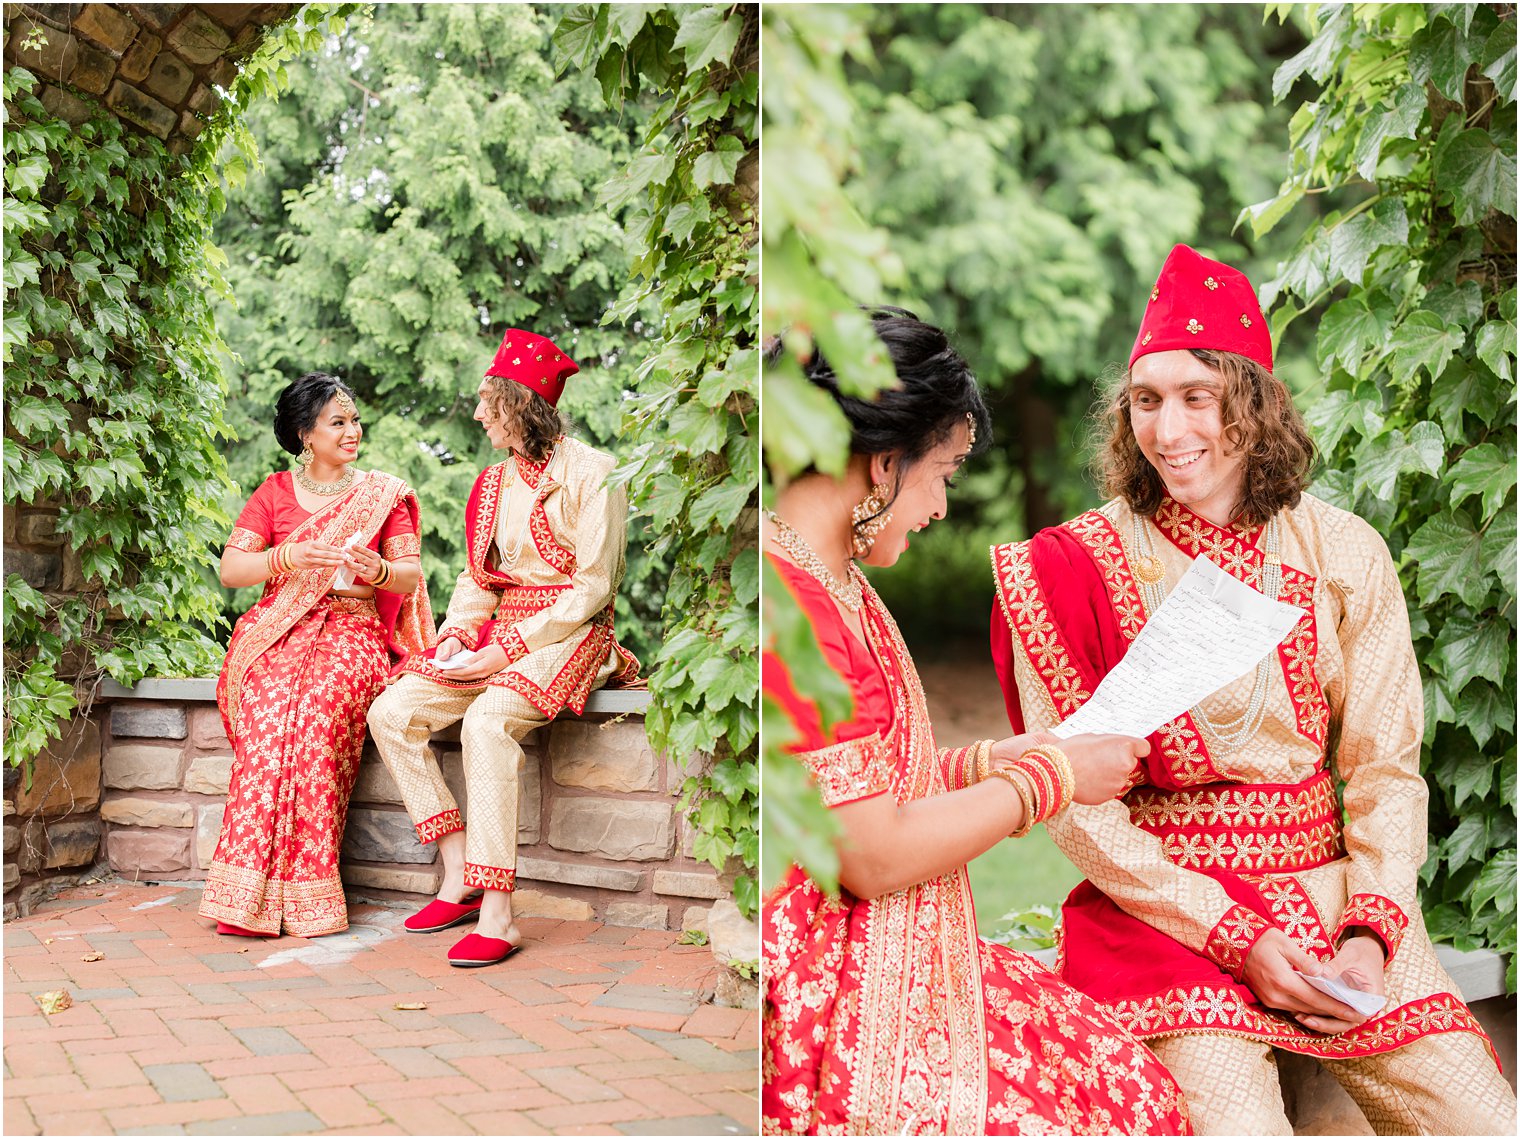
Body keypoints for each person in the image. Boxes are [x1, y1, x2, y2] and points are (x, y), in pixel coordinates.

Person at [989, 244, 1517, 1134]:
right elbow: (1078, 808)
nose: (1170, 429)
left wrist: (1369, 933)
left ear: (1254, 401)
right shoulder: (1074, 565)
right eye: (1148, 401)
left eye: (1199, 397)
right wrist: (1234, 935)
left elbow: (1386, 769)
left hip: (1335, 909)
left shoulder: (1342, 552)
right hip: (1165, 918)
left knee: (1484, 1121)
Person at [763, 308, 1193, 1136]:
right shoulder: (795, 601)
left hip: (892, 947)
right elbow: (873, 854)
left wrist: (993, 758)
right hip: (834, 993)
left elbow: (851, 778)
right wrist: (1053, 778)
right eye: (944, 473)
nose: (939, 505)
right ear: (884, 462)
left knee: (1126, 1078)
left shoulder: (828, 576)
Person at [368, 328, 640, 968]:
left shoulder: (595, 473)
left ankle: (498, 913)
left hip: (569, 631)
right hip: (496, 632)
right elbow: (478, 578)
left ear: (520, 404)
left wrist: (510, 646)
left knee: (488, 721)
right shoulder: (492, 483)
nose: (478, 414)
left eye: (489, 403)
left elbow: (594, 587)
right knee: (393, 713)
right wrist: (461, 633)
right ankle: (458, 871)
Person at [201, 373, 433, 938]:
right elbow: (233, 570)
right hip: (279, 629)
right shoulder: (274, 493)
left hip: (351, 634)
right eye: (338, 422)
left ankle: (309, 898)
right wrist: (291, 555)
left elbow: (410, 573)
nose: (353, 431)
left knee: (314, 725)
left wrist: (376, 570)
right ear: (306, 434)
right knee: (269, 726)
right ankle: (242, 899)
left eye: (354, 420)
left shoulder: (383, 495)